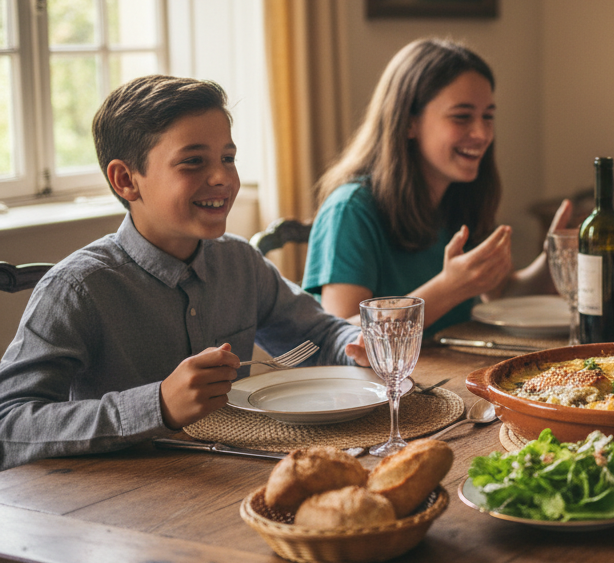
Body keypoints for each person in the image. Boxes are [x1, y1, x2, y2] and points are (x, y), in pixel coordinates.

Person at [0, 75, 365, 470]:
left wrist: (359, 344)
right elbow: (8, 425)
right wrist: (157, 405)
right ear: (126, 180)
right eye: (193, 161)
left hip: (223, 484)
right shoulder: (76, 289)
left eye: (228, 158)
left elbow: (323, 337)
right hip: (111, 507)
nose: (223, 177)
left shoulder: (240, 262)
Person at [304, 38, 567, 337]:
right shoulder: (350, 210)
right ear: (408, 123)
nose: (482, 133)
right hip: (381, 384)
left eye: (488, 116)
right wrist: (449, 288)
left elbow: (501, 295)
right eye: (462, 116)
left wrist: (553, 259)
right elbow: (340, 339)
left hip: (450, 375)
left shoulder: (460, 196)